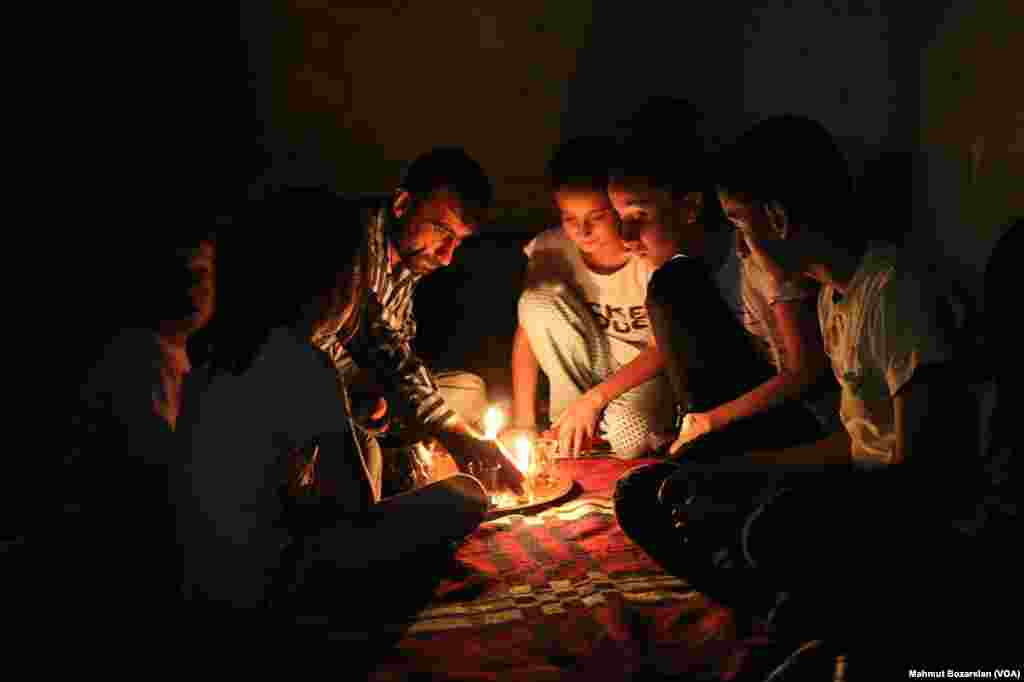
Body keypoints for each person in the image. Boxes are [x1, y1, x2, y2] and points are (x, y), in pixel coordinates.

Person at [657, 115, 973, 672]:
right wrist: (745, 469)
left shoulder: (894, 295)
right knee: (656, 490)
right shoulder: (833, 298)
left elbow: (919, 472)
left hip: (909, 506)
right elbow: (854, 442)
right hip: (863, 479)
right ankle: (789, 604)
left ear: (777, 218)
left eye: (739, 222)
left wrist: (785, 491)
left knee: (771, 529)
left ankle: (830, 622)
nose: (740, 245)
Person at [184, 188, 496, 663]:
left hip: (202, 580)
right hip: (272, 585)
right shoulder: (304, 363)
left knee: (372, 440)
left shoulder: (210, 352)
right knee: (465, 495)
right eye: (354, 277)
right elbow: (354, 509)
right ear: (333, 284)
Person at [607, 136, 837, 577]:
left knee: (683, 482)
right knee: (640, 491)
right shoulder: (692, 266)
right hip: (755, 411)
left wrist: (710, 420)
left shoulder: (757, 255)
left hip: (802, 423)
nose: (626, 236)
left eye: (638, 217)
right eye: (620, 219)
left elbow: (805, 371)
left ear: (691, 207)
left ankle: (749, 564)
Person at [318, 147, 524, 492]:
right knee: (368, 445)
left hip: (371, 394)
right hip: (320, 392)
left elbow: (396, 349)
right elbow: (350, 344)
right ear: (402, 205)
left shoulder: (408, 260)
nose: (446, 257)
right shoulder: (354, 244)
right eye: (442, 232)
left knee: (468, 390)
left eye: (457, 242)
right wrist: (453, 432)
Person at [71, 229, 217, 631]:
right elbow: (160, 473)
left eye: (206, 274)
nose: (200, 288)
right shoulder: (140, 359)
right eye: (189, 275)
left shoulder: (176, 356)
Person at [508, 136, 674, 459]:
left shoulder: (648, 254)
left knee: (630, 436)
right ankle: (574, 426)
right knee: (534, 301)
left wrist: (595, 401)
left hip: (640, 377)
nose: (582, 232)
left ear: (619, 207)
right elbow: (529, 330)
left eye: (596, 218)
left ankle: (590, 426)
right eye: (570, 219)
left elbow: (662, 349)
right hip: (584, 368)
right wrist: (523, 421)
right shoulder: (551, 250)